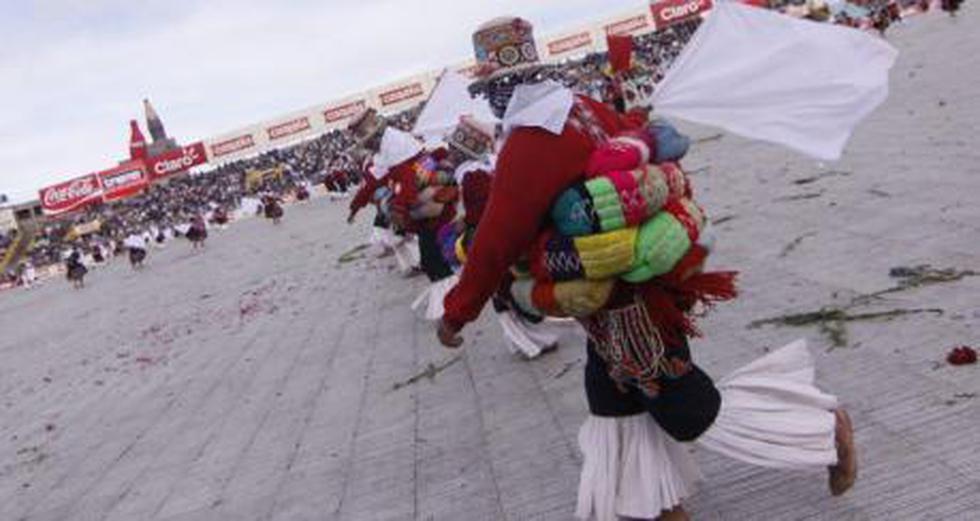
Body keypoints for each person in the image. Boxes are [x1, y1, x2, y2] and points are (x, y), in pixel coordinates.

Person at [437, 16, 857, 521]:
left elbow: (496, 240)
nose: (492, 102)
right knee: (613, 402)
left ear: (503, 88)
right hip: (632, 283)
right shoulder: (583, 109)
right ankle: (658, 506)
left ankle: (821, 429)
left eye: (491, 92)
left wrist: (458, 310)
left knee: (685, 407)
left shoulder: (530, 143)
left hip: (624, 300)